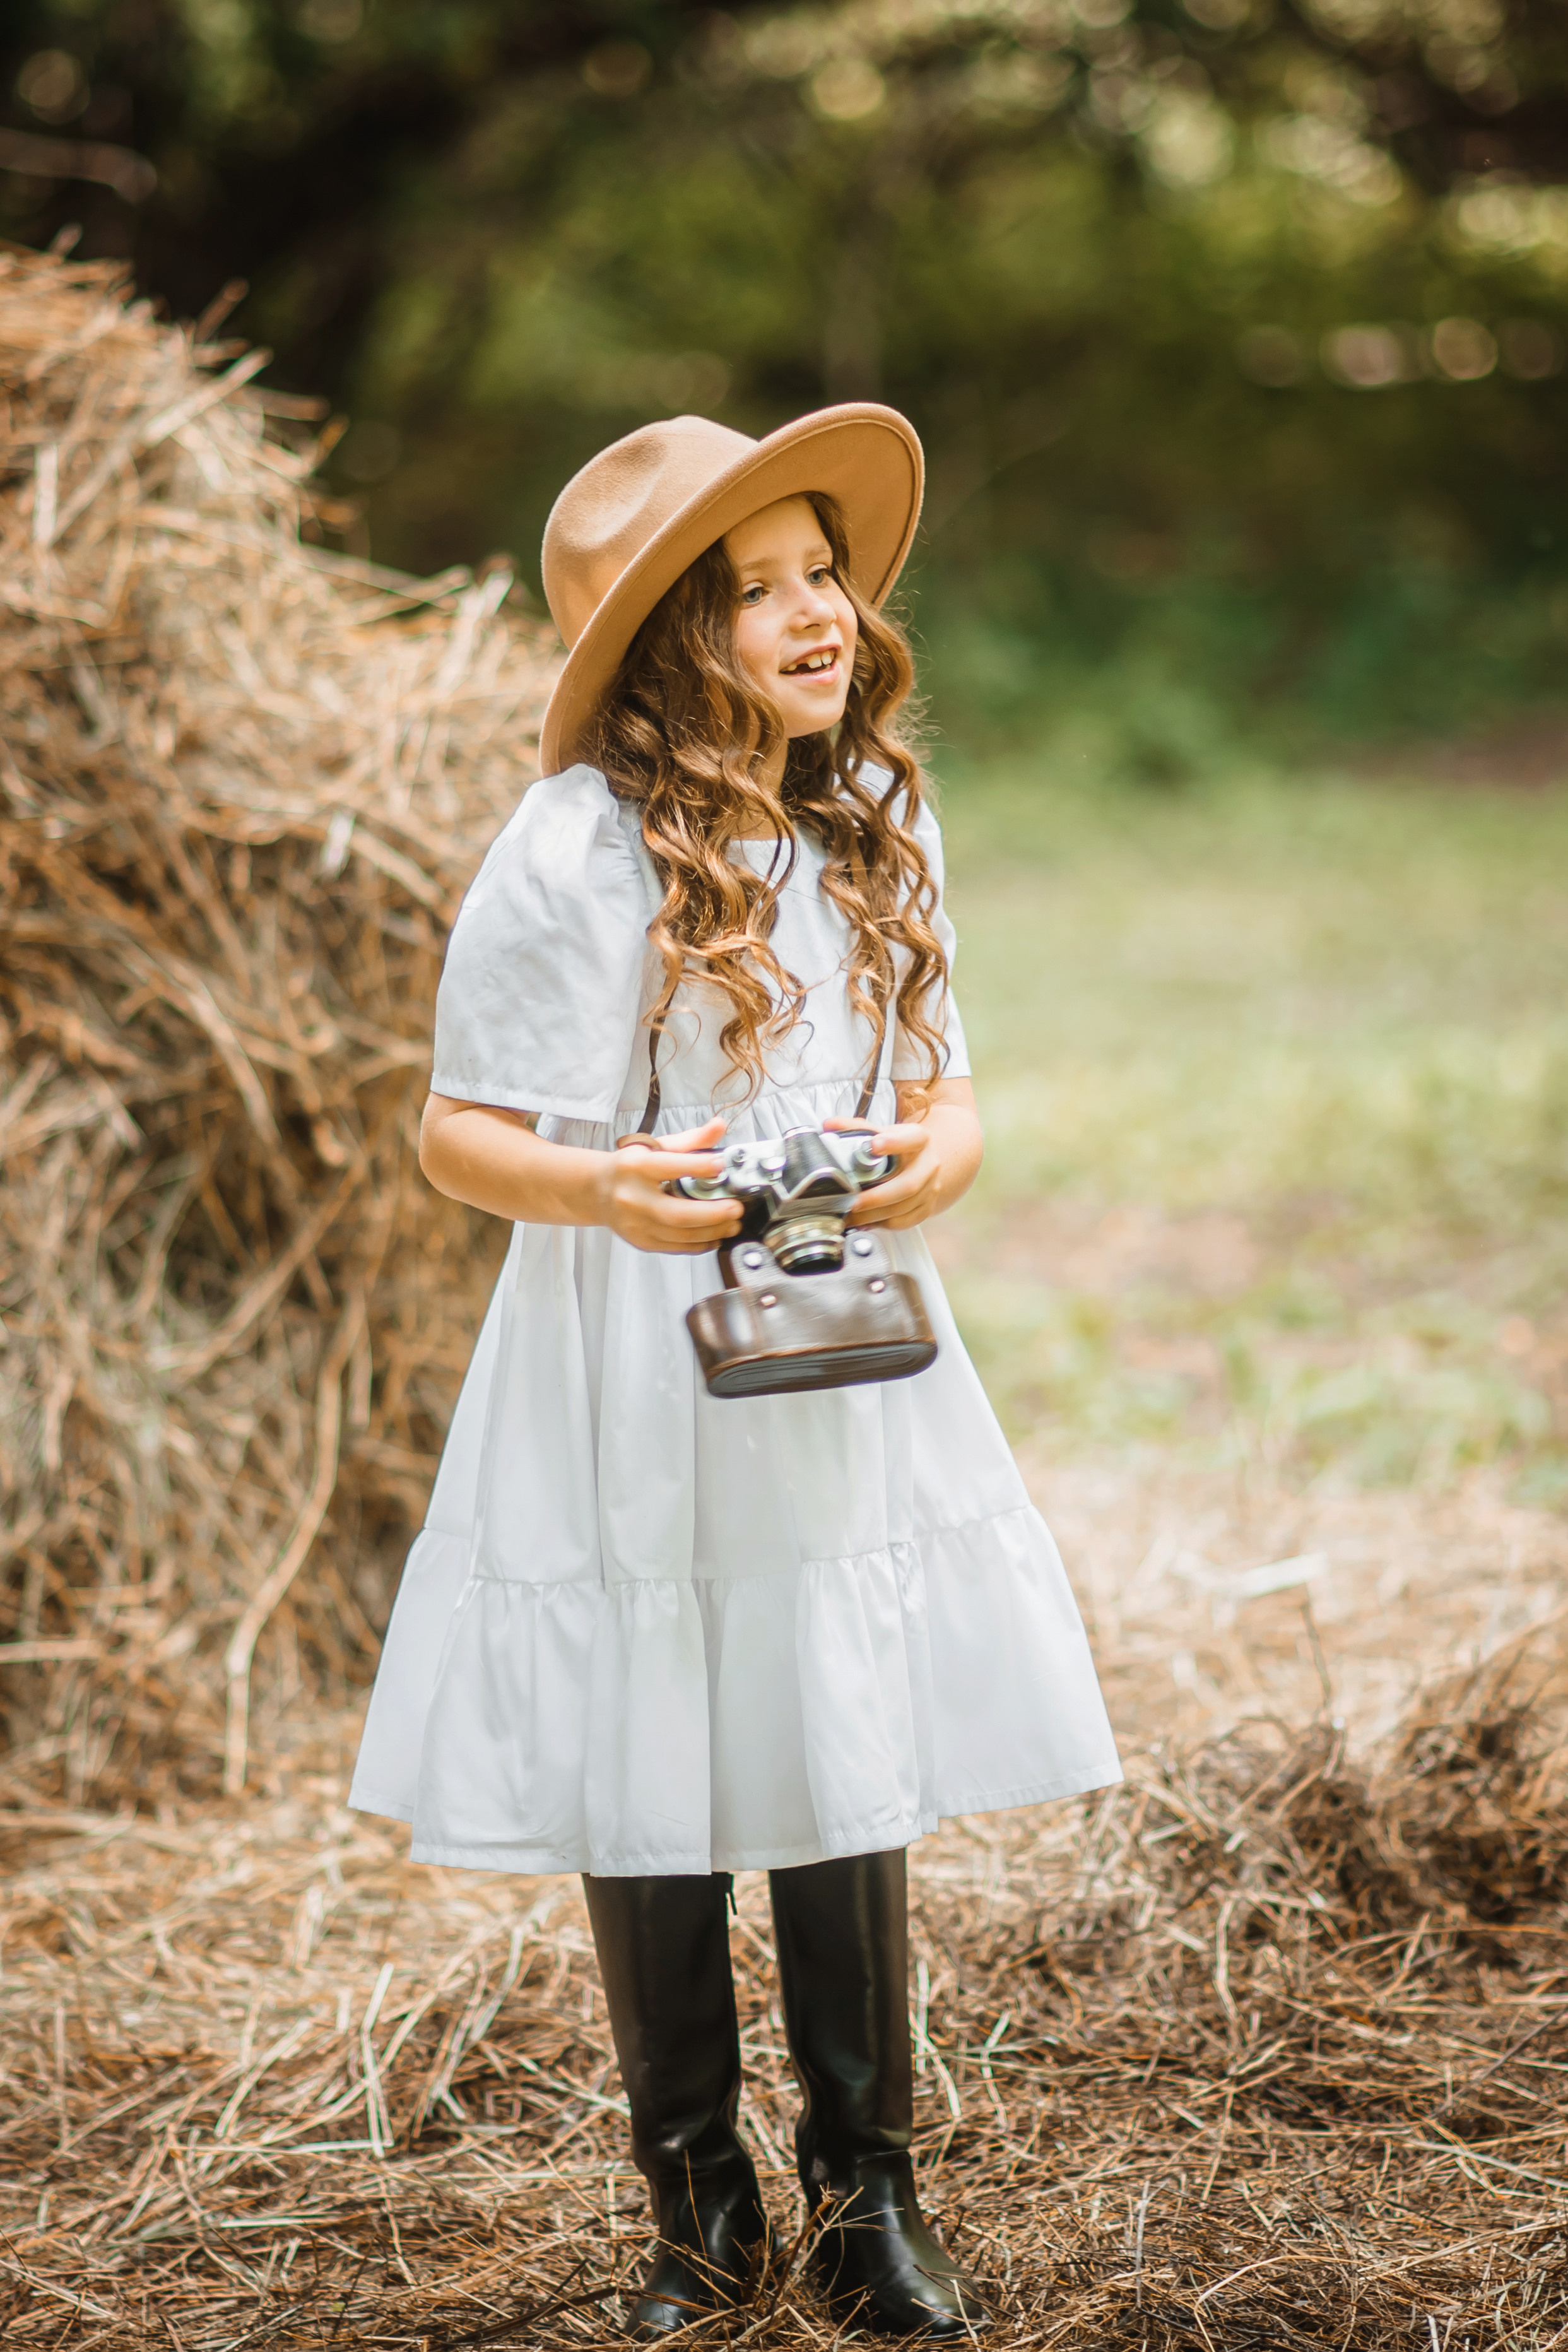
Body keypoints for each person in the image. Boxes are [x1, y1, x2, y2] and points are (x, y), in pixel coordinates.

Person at [349, 405, 1122, 2339]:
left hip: (833, 1335)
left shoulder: (875, 815)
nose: (818, 615)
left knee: (832, 1700)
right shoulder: (573, 847)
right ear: (666, 638)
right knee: (662, 1721)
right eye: (758, 588)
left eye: (824, 575)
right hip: (631, 1342)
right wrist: (616, 1187)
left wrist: (927, 1160)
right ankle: (698, 2205)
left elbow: (944, 1101)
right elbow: (459, 1131)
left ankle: (872, 2198)